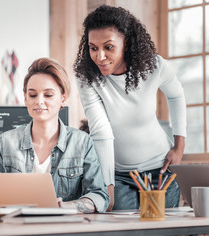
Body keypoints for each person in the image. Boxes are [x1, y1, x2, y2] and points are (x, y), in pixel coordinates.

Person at [74, 5, 186, 211]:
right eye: (93, 48)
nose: (99, 56)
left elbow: (176, 95)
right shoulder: (87, 78)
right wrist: (106, 186)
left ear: (126, 43)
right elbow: (100, 131)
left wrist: (179, 147)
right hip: (118, 175)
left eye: (108, 47)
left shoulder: (154, 67)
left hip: (160, 170)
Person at [0, 57, 109, 213]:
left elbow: (99, 195)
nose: (39, 101)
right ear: (25, 98)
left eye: (48, 95)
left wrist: (67, 207)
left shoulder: (81, 142)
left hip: (64, 231)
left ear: (62, 99)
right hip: (17, 230)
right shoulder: (5, 142)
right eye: (33, 95)